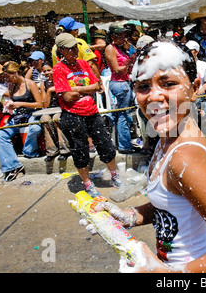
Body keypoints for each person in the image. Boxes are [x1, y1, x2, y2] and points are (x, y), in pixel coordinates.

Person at [89, 40, 206, 272]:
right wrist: (130, 216)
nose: (154, 96)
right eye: (143, 87)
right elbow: (175, 204)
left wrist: (168, 273)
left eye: (168, 84)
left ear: (194, 88)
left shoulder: (185, 157)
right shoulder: (169, 136)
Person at [52, 33, 122, 197]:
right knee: (80, 150)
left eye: (75, 47)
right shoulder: (58, 70)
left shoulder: (84, 64)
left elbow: (97, 86)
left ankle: (114, 176)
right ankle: (88, 184)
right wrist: (85, 88)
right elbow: (66, 96)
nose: (75, 50)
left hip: (92, 112)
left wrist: (76, 89)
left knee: (105, 144)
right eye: (70, 48)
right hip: (72, 116)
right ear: (61, 50)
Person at [0, 61, 43, 182]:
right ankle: (12, 165)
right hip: (18, 116)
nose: (6, 79)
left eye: (8, 76)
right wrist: (11, 106)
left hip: (33, 113)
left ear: (15, 73)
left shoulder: (30, 84)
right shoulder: (11, 86)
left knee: (35, 128)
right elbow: (14, 102)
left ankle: (29, 152)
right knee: (0, 134)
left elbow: (40, 104)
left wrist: (21, 103)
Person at [104, 22, 134, 154]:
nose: (123, 39)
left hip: (125, 82)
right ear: (113, 37)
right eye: (120, 37)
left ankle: (124, 142)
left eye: (124, 37)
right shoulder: (110, 49)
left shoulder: (121, 47)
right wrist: (129, 63)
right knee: (123, 114)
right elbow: (116, 69)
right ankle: (124, 145)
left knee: (124, 114)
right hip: (119, 84)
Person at [39, 63, 71, 162]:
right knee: (45, 119)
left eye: (49, 70)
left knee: (56, 118)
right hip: (50, 109)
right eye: (44, 71)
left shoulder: (61, 80)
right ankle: (52, 150)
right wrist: (49, 91)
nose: (46, 73)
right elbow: (44, 104)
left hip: (62, 107)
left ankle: (64, 149)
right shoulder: (43, 84)